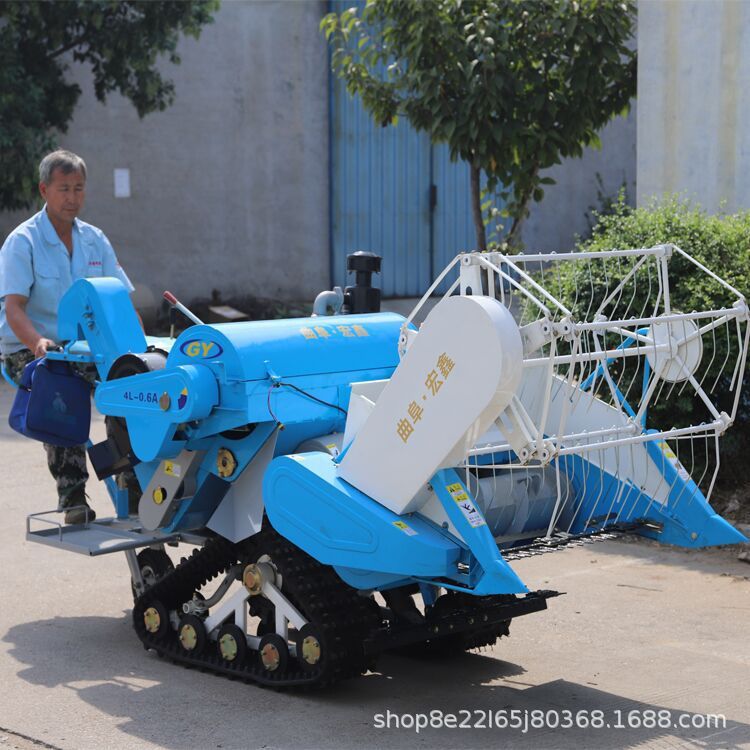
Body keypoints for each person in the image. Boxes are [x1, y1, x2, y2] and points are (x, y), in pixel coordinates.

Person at [0, 149, 135, 524]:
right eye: (64, 189)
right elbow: (14, 309)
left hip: (86, 348)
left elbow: (121, 301)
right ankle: (73, 496)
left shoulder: (95, 240)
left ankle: (132, 481)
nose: (72, 197)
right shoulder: (23, 242)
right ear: (44, 190)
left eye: (78, 188)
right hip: (31, 347)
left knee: (131, 382)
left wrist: (139, 351)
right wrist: (37, 343)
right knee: (61, 383)